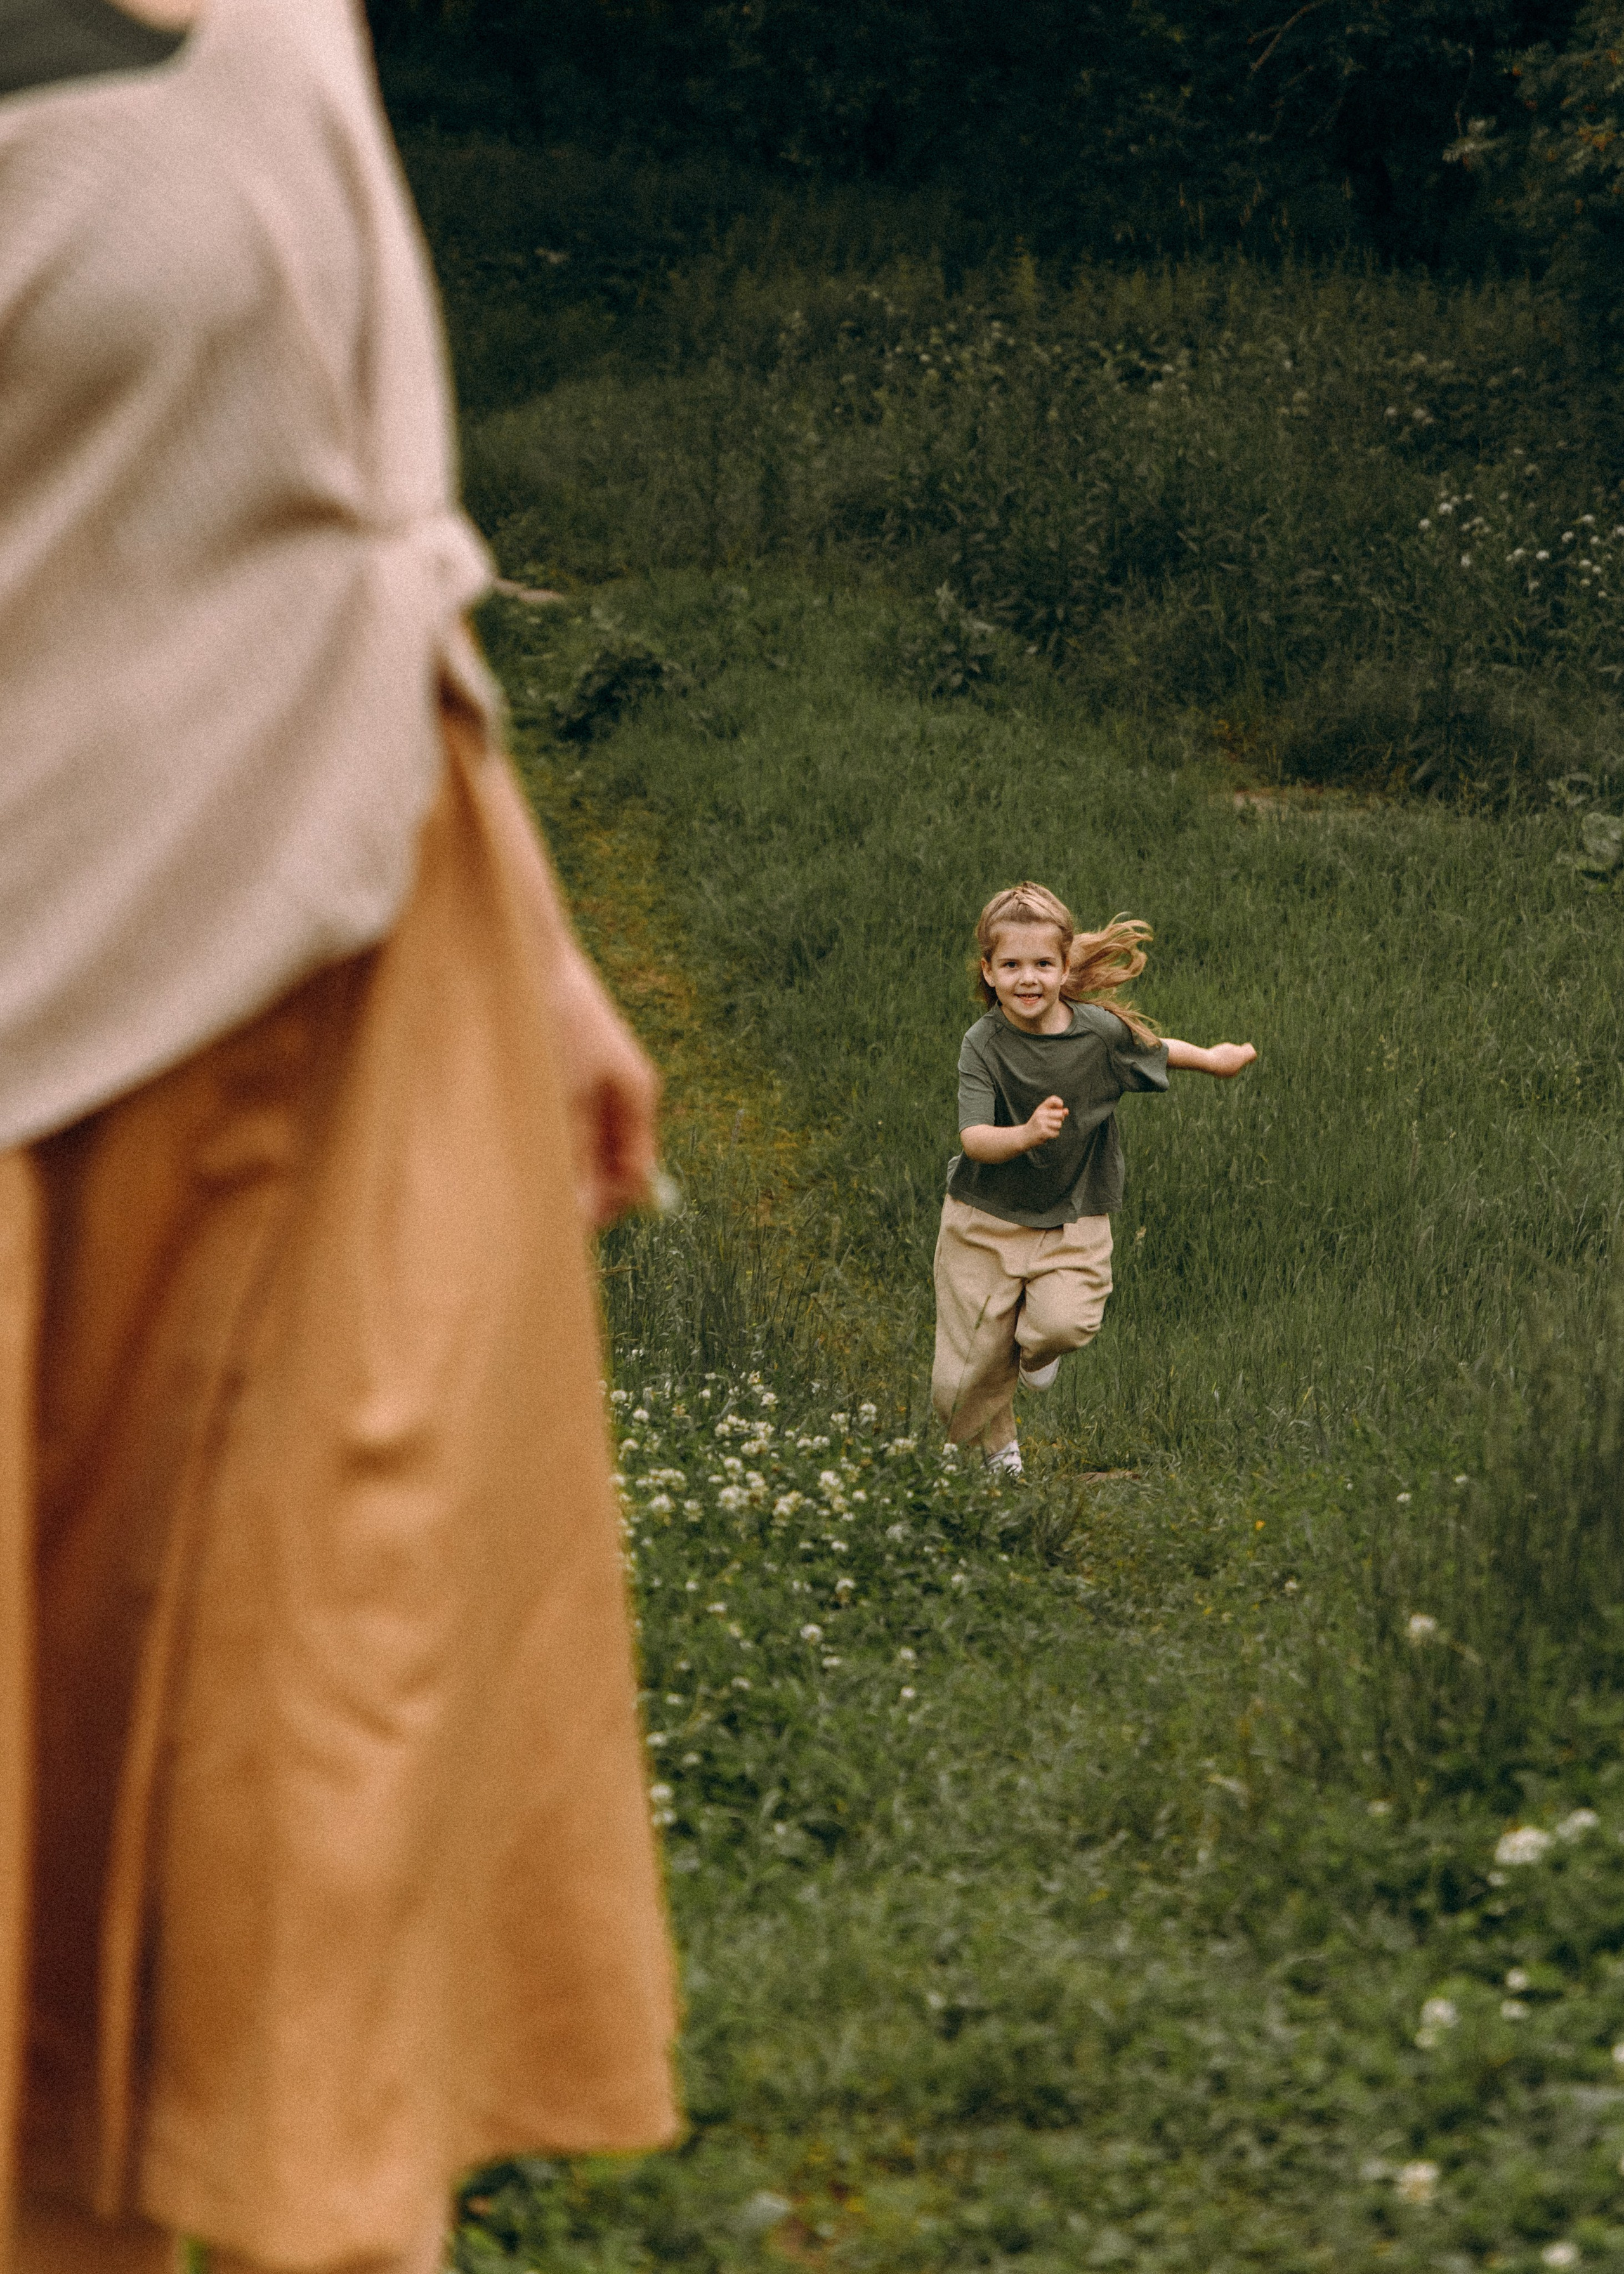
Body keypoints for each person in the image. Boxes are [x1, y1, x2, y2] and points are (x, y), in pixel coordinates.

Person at [0, 2, 678, 2271]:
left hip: (365, 977)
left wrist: (547, 931)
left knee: (330, 1780)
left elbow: (356, 512)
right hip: (33, 1048)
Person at [933, 882, 1256, 1475]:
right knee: (962, 1372)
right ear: (988, 970)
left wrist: (1215, 1059)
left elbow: (1158, 1048)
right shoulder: (981, 1044)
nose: (1027, 979)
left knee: (1062, 1324)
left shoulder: (1097, 1034)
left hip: (1073, 1215)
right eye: (1011, 965)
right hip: (983, 1216)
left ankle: (1031, 1355)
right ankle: (997, 1454)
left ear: (1064, 967)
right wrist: (1027, 1134)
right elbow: (973, 1138)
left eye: (1042, 964)